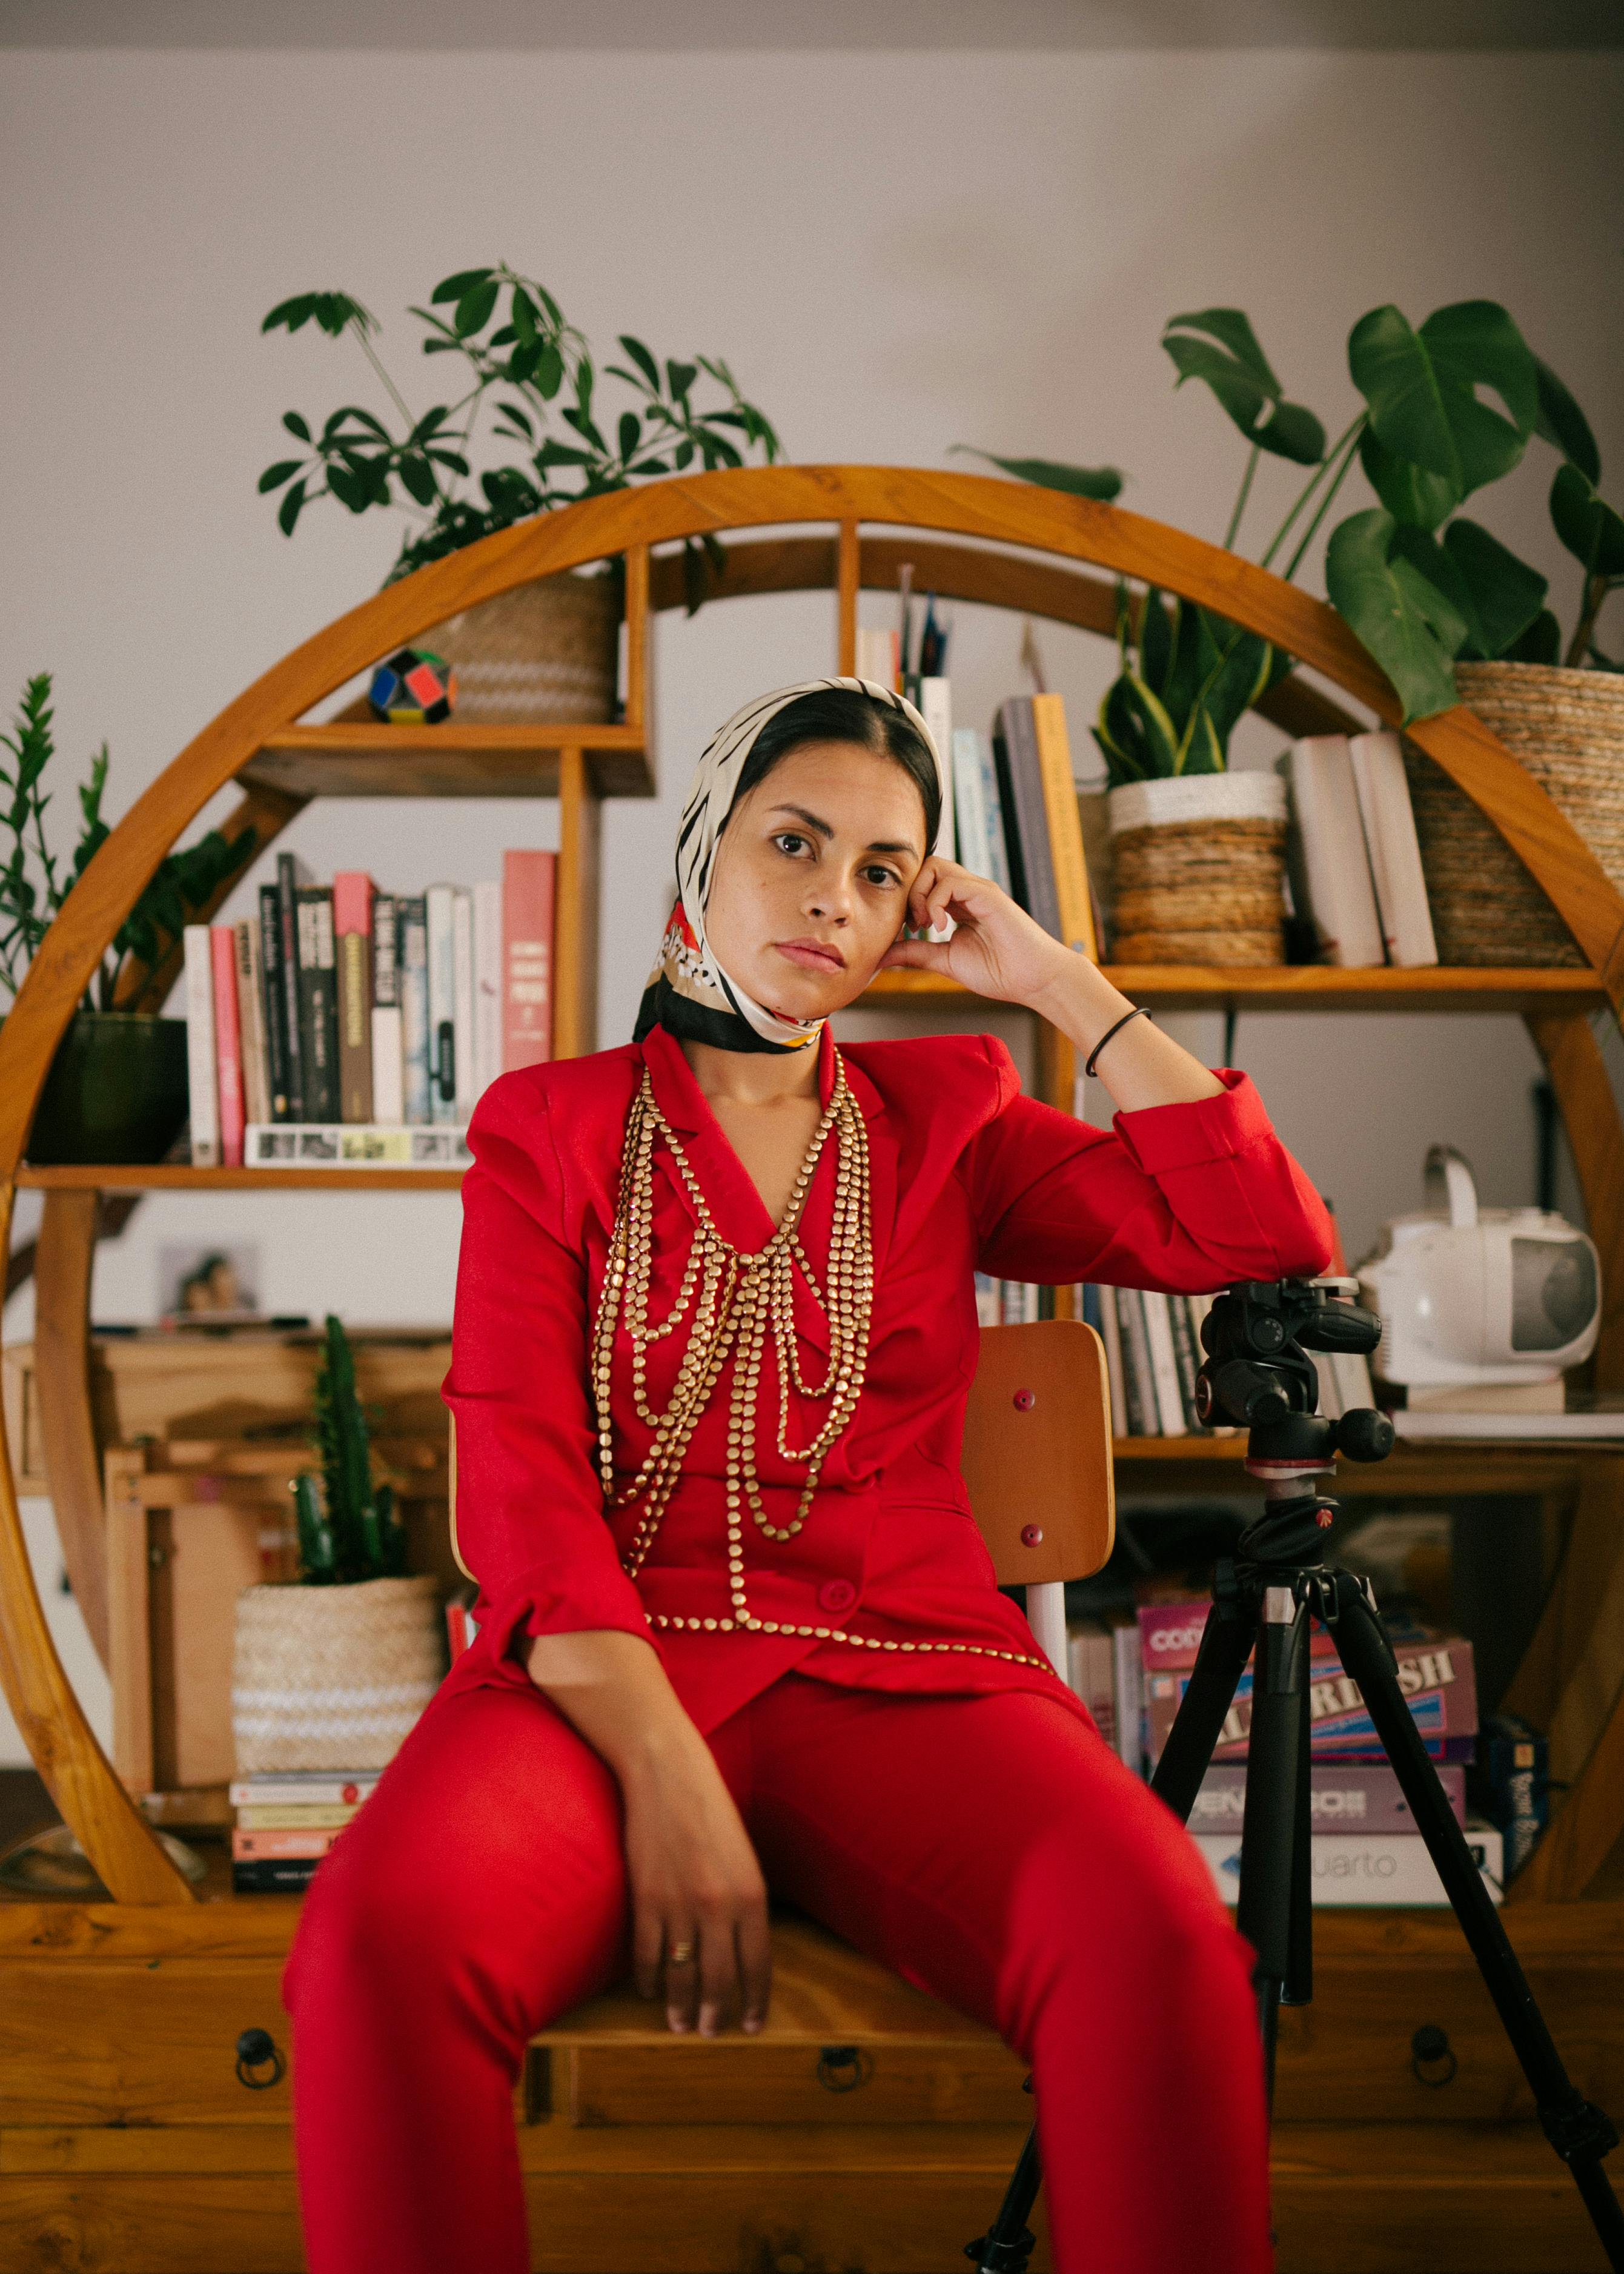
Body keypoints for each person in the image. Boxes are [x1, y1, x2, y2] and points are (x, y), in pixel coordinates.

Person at [284, 677, 1333, 2274]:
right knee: (373, 1948)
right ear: (704, 848)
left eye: (880, 871)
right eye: (794, 842)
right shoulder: (546, 1127)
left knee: (1162, 1944)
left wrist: (1054, 979)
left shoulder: (950, 1115)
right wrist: (667, 1778)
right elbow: (519, 1485)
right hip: (594, 1690)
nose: (834, 896)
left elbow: (1258, 1228)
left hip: (906, 1675)